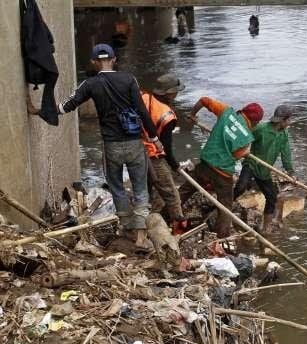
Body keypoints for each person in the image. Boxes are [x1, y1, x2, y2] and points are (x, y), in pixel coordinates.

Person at [55, 44, 162, 247]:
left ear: (94, 63)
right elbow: (142, 111)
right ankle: (140, 236)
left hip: (111, 146)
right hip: (134, 144)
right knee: (140, 188)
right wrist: (155, 139)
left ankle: (126, 227)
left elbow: (67, 105)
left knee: (117, 187)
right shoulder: (129, 79)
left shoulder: (90, 84)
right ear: (114, 60)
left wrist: (43, 110)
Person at [179, 97, 264, 238]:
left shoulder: (226, 112)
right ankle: (222, 236)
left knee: (186, 190)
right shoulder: (247, 139)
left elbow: (204, 100)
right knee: (225, 205)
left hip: (205, 164)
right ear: (255, 122)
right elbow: (236, 156)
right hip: (222, 173)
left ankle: (166, 214)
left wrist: (193, 114)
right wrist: (243, 152)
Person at [141, 74, 189, 234]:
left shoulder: (143, 97)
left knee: (147, 191)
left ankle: (150, 218)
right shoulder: (167, 115)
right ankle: (179, 226)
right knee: (171, 193)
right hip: (152, 155)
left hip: (135, 153)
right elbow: (166, 147)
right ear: (169, 93)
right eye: (175, 91)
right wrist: (175, 165)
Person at [234, 105, 295, 233]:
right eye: (289, 120)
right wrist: (244, 149)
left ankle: (265, 227)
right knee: (241, 186)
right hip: (252, 163)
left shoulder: (284, 134)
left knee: (272, 197)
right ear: (282, 120)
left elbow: (286, 153)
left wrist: (290, 171)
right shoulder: (262, 128)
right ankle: (226, 203)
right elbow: (246, 136)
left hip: (264, 170)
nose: (290, 123)